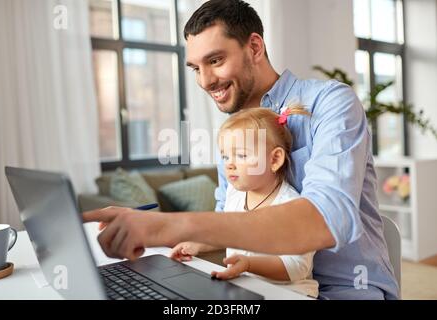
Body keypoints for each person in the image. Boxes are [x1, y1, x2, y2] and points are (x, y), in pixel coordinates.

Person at [83, 0, 400, 299]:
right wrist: (156, 231)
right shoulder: (233, 135)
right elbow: (229, 222)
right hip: (267, 288)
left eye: (215, 60)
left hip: (346, 290)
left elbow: (327, 218)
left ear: (255, 47)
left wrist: (171, 223)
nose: (205, 81)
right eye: (195, 68)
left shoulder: (331, 102)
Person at [170, 107, 319, 298]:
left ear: (274, 159)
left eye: (241, 155)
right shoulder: (235, 194)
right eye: (225, 156)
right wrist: (197, 245)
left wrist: (249, 264)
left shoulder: (293, 207)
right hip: (248, 290)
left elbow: (296, 267)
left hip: (291, 293)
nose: (229, 164)